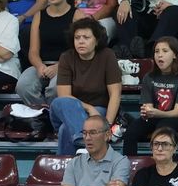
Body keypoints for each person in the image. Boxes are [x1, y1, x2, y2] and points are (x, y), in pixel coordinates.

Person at [49, 18, 123, 156]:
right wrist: (89, 108)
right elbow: (64, 96)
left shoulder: (107, 56)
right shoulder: (66, 57)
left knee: (65, 130)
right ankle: (83, 140)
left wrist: (106, 126)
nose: (81, 41)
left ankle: (67, 169)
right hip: (73, 110)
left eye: (86, 37)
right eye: (77, 38)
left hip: (99, 111)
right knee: (60, 102)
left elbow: (115, 94)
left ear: (96, 40)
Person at [14, 0, 81, 108]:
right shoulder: (39, 15)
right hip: (42, 64)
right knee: (23, 86)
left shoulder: (77, 15)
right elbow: (33, 51)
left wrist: (59, 67)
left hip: (68, 65)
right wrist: (39, 66)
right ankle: (43, 116)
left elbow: (80, 50)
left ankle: (54, 120)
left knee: (55, 89)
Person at [122, 37, 178, 156]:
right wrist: (146, 112)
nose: (160, 55)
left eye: (165, 51)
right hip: (155, 117)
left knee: (161, 130)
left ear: (174, 54)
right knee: (131, 132)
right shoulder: (149, 77)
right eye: (156, 51)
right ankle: (129, 167)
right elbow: (148, 107)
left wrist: (157, 113)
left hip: (175, 118)